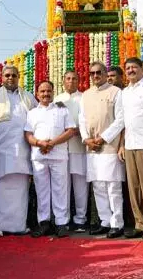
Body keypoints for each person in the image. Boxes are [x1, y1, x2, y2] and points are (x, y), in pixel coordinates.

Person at [0, 65, 37, 236]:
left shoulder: (28, 97)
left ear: (18, 77)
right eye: (7, 75)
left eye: (14, 75)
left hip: (23, 151)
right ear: (2, 77)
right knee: (0, 189)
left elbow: (39, 116)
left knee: (20, 190)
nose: (10, 78)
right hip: (1, 150)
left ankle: (19, 226)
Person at [79, 61, 125, 238]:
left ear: (106, 74)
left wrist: (103, 138)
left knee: (113, 186)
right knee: (98, 185)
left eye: (99, 72)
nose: (96, 76)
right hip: (91, 147)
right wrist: (86, 139)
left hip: (109, 145)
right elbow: (82, 119)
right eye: (92, 73)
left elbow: (120, 119)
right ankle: (105, 221)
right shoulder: (86, 95)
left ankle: (117, 223)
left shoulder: (115, 92)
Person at [25, 81, 77, 238]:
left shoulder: (62, 110)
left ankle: (61, 223)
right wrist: (39, 143)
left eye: (49, 91)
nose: (46, 94)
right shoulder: (32, 112)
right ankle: (44, 223)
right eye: (42, 91)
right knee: (42, 191)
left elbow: (71, 131)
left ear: (53, 92)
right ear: (37, 93)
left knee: (60, 190)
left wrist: (52, 143)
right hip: (39, 156)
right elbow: (27, 134)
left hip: (58, 155)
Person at [120, 57, 143, 243]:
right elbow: (124, 121)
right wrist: (121, 145)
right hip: (130, 144)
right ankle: (139, 223)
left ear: (142, 69)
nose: (131, 70)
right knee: (133, 187)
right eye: (128, 68)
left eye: (134, 67)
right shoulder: (124, 92)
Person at [54, 71, 87, 232]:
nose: (71, 81)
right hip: (60, 148)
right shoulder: (56, 99)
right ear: (63, 81)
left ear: (78, 81)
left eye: (74, 78)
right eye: (68, 78)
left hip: (78, 146)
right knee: (62, 185)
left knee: (80, 184)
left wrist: (80, 131)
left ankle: (80, 219)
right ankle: (63, 219)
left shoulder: (84, 98)